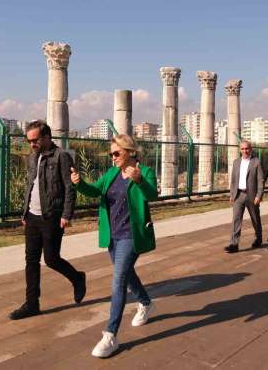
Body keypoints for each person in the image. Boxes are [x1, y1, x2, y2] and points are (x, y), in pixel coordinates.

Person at [71, 134, 157, 358]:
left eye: (116, 153)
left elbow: (152, 195)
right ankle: (146, 302)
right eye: (111, 154)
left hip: (132, 235)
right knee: (127, 276)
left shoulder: (143, 172)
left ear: (129, 152)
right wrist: (80, 184)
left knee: (118, 280)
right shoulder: (111, 174)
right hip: (113, 235)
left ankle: (110, 335)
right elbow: (95, 191)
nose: (113, 157)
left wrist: (139, 180)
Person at [9, 120, 86, 320]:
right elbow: (30, 185)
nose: (31, 144)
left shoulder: (62, 157)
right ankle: (32, 303)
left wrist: (67, 214)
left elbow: (70, 187)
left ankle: (77, 278)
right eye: (29, 141)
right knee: (31, 260)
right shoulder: (32, 157)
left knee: (51, 259)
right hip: (32, 217)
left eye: (35, 140)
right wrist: (25, 211)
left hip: (52, 216)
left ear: (46, 137)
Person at [225, 140, 264, 253]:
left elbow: (260, 180)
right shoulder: (236, 162)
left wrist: (259, 195)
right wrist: (232, 194)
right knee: (236, 220)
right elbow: (233, 181)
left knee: (255, 219)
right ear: (240, 150)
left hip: (252, 196)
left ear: (250, 149)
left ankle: (258, 238)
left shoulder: (256, 162)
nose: (245, 151)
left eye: (246, 148)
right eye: (242, 149)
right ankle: (234, 244)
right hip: (238, 195)